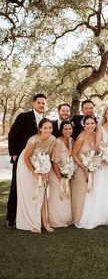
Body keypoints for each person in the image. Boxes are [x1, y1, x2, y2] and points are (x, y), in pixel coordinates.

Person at [6, 93, 47, 229]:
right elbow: (13, 134)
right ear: (33, 103)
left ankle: (28, 216)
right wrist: (14, 154)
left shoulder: (45, 120)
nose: (41, 105)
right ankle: (10, 220)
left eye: (43, 103)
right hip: (22, 158)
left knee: (31, 188)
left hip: (37, 159)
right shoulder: (24, 116)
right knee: (16, 187)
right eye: (39, 102)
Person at [16, 118, 56, 233]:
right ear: (40, 128)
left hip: (42, 164)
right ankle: (32, 222)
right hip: (27, 166)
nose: (48, 130)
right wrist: (35, 172)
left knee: (42, 194)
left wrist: (46, 171)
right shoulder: (33, 140)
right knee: (32, 194)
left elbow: (48, 156)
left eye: (50, 128)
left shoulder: (52, 139)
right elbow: (25, 157)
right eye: (45, 128)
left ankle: (45, 223)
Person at [71, 115, 97, 225]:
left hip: (92, 168)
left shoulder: (97, 135)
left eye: (92, 123)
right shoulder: (81, 137)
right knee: (81, 193)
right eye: (88, 124)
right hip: (81, 168)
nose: (90, 126)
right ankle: (78, 218)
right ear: (84, 125)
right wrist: (83, 166)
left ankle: (90, 216)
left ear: (95, 124)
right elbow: (74, 154)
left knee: (91, 192)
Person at [48, 121, 73, 227]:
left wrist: (67, 175)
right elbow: (54, 162)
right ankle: (56, 220)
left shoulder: (71, 140)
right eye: (65, 129)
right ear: (61, 130)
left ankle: (66, 218)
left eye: (70, 129)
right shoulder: (58, 142)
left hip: (66, 173)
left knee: (66, 196)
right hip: (56, 174)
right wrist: (61, 178)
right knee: (58, 196)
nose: (68, 131)